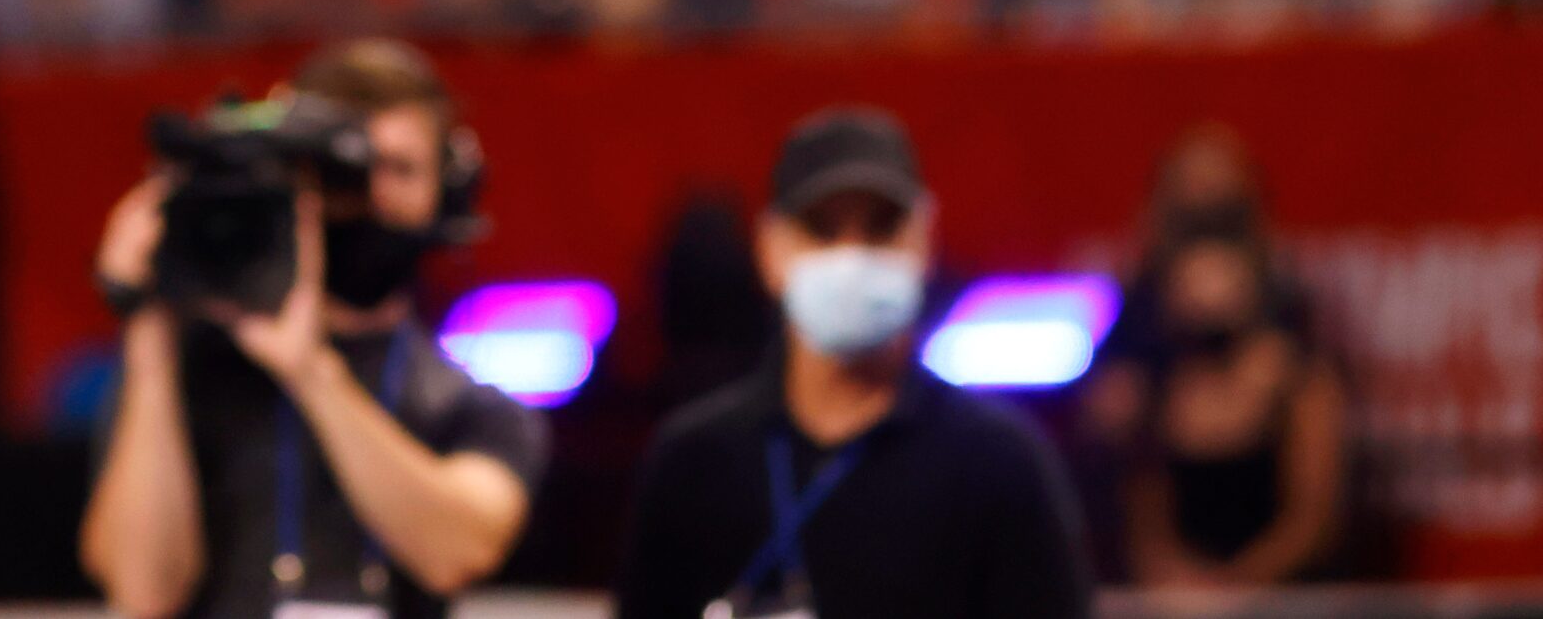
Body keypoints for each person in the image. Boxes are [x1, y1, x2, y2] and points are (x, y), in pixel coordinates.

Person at [79, 37, 547, 619]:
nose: (371, 196)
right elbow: (140, 592)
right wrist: (148, 331)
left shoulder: (468, 403)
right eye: (345, 173)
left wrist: (309, 370)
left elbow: (457, 550)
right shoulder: (182, 377)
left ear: (447, 191)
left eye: (400, 169)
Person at [617, 107, 1091, 619]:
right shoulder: (692, 464)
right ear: (769, 249)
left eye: (880, 229)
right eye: (822, 230)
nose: (852, 256)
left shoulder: (1001, 465)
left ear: (924, 238)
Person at [1119, 230, 1348, 589]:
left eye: (1221, 278)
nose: (1207, 295)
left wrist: (1238, 587)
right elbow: (1145, 516)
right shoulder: (1159, 387)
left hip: (1286, 598)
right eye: (1192, 283)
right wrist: (1178, 585)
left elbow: (1312, 520)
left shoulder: (1298, 380)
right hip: (1182, 603)